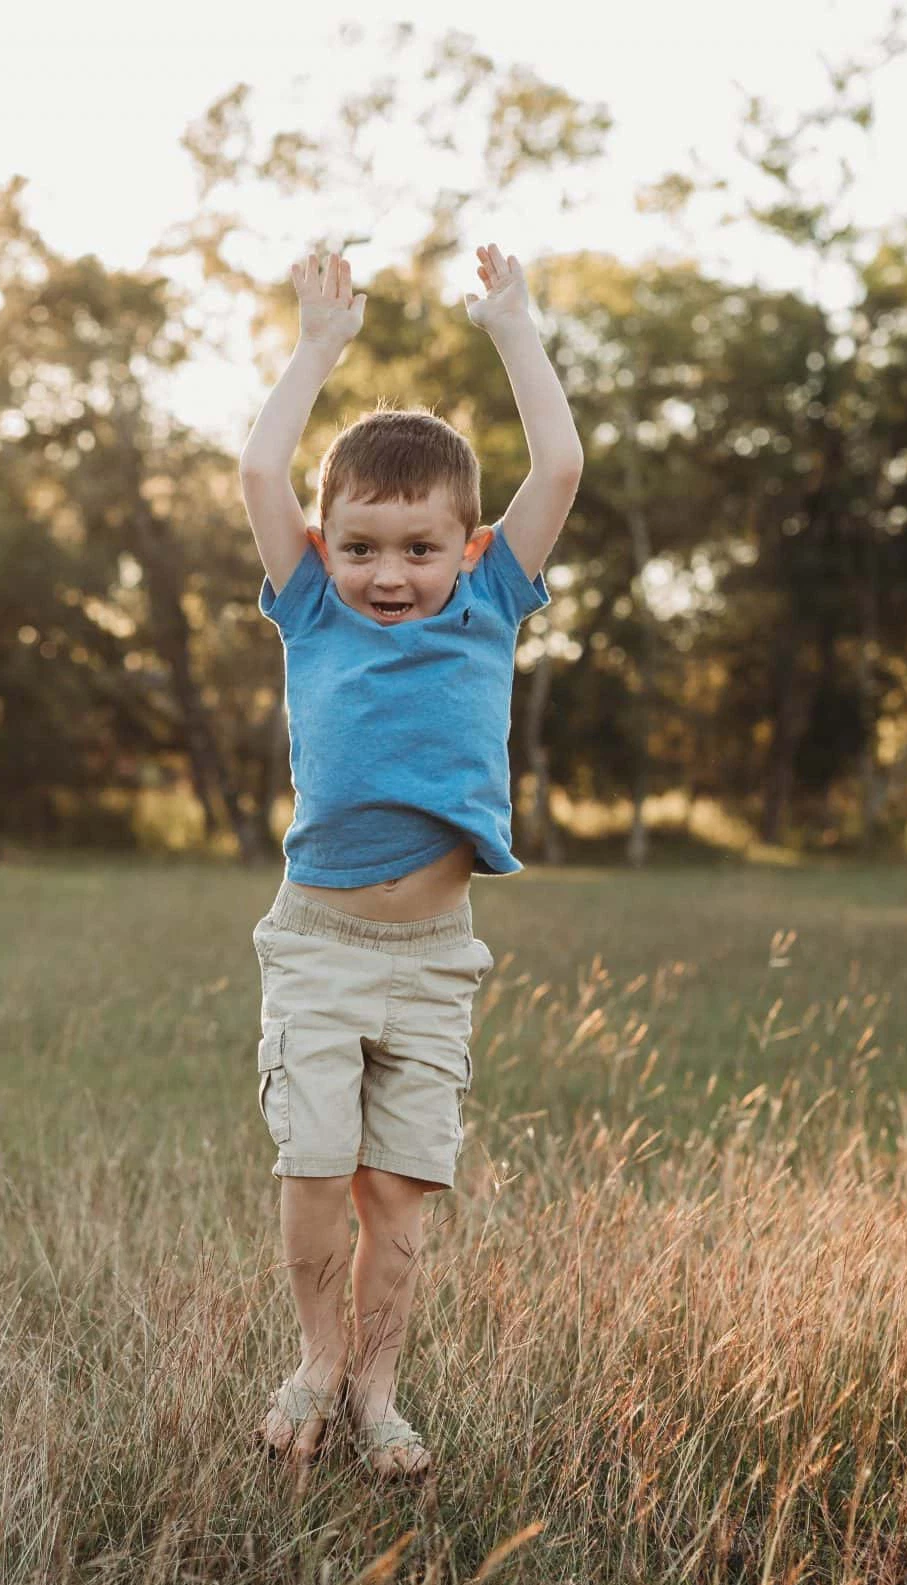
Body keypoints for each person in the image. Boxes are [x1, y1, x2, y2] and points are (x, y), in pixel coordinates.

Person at [238, 243, 582, 1477]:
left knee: (398, 1193)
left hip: (433, 956)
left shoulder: (493, 598)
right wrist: (318, 346)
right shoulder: (309, 605)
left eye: (418, 548)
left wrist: (512, 326)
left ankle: (377, 1388)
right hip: (321, 945)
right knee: (312, 1170)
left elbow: (561, 463)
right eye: (363, 544)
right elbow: (259, 466)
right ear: (324, 546)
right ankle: (315, 1357)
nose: (390, 572)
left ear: (468, 543)